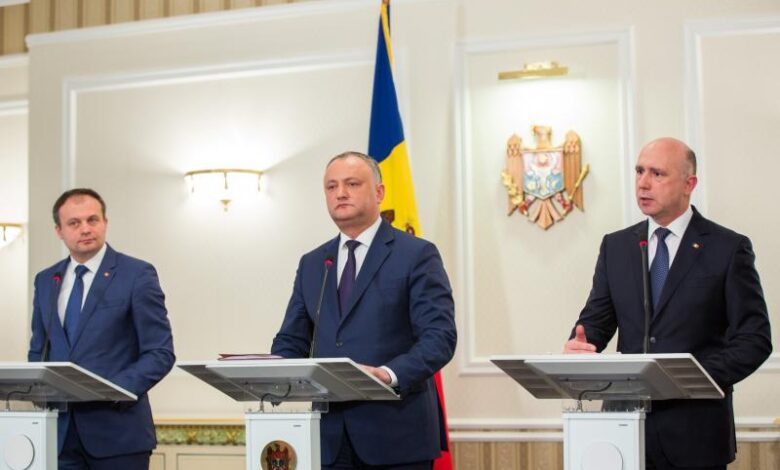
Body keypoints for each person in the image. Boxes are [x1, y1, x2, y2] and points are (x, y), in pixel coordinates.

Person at [564, 138, 772, 470]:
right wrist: (581, 345)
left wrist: (692, 378)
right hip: (623, 431)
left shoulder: (728, 248)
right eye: (639, 171)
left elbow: (754, 339)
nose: (643, 183)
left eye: (657, 173)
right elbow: (595, 323)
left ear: (689, 184)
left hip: (696, 433)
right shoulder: (616, 246)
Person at [272, 151, 456, 469]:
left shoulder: (416, 254)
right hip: (328, 439)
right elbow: (292, 339)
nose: (340, 193)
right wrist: (269, 370)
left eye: (352, 184)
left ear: (379, 193)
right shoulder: (314, 263)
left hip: (397, 436)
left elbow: (439, 338)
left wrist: (388, 374)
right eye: (331, 187)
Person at [28, 188, 175, 470]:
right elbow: (39, 351)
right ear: (59, 231)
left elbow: (160, 352)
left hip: (119, 435)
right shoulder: (46, 280)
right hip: (58, 437)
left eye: (92, 220)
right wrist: (40, 393)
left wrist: (112, 391)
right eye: (74, 223)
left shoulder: (136, 274)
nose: (85, 229)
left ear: (105, 222)